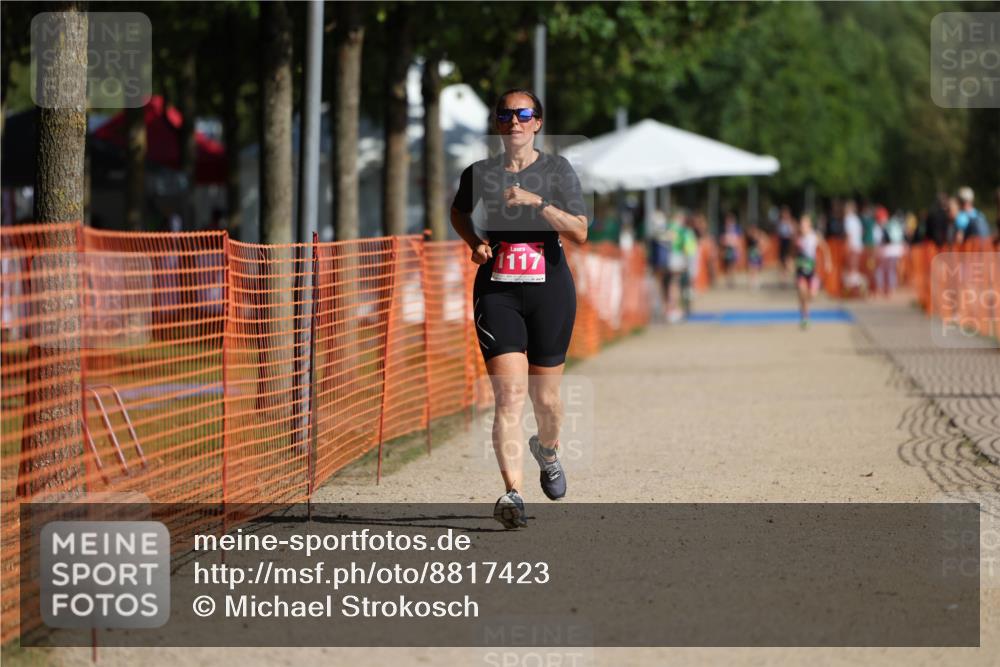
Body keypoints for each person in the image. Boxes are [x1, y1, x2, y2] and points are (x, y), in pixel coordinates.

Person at [450, 88, 588, 529]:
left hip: (550, 290)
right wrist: (475, 243)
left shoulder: (557, 170)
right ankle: (514, 494)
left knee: (545, 399)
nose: (514, 121)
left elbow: (580, 231)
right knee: (508, 396)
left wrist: (538, 203)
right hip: (498, 292)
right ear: (497, 123)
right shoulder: (479, 173)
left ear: (538, 123)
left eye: (524, 114)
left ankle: (547, 451)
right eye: (506, 114)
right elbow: (458, 213)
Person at [794, 213, 832, 330]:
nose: (802, 227)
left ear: (809, 225)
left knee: (811, 295)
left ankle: (804, 307)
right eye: (801, 225)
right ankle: (805, 318)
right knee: (802, 291)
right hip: (800, 270)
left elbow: (825, 248)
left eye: (804, 225)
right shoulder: (797, 238)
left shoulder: (814, 236)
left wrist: (828, 261)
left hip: (812, 270)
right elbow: (792, 252)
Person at [873, 206, 904, 297]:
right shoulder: (892, 224)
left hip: (885, 251)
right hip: (894, 251)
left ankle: (882, 287)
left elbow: (878, 241)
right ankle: (890, 288)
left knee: (881, 270)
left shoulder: (878, 227)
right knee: (891, 270)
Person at [719, 211, 742, 288]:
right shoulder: (723, 229)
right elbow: (721, 239)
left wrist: (739, 249)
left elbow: (739, 240)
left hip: (734, 249)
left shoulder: (736, 228)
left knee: (733, 265)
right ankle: (729, 281)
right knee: (727, 265)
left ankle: (732, 280)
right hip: (727, 249)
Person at [776, 205, 795, 279]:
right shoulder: (780, 222)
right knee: (782, 260)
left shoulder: (790, 222)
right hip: (782, 242)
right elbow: (778, 232)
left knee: (788, 259)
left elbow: (792, 232)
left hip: (788, 242)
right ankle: (784, 274)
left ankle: (790, 271)